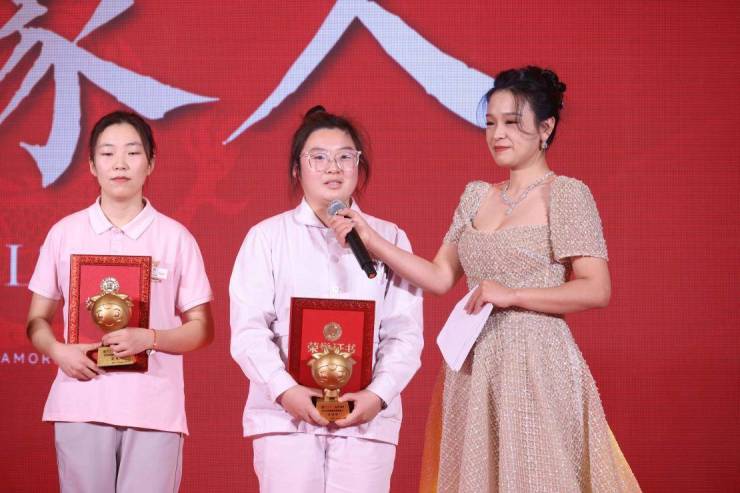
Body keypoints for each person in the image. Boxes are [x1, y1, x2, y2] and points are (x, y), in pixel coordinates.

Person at [330, 67, 641, 492]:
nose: (498, 134)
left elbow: (595, 287)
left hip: (537, 361)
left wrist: (512, 294)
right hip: (473, 365)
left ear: (545, 128)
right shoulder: (476, 195)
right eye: (491, 123)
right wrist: (371, 239)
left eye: (512, 122)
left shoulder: (566, 193)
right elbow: (440, 276)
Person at [229, 106, 423, 493]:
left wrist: (378, 395)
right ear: (297, 170)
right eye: (318, 157)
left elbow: (405, 333)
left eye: (345, 156)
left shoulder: (389, 238)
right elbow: (249, 329)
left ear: (358, 166)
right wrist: (284, 390)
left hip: (365, 419)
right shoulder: (267, 237)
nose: (333, 167)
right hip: (285, 418)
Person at [26, 111, 214, 492]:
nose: (120, 164)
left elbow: (202, 329)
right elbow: (36, 320)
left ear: (151, 162)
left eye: (133, 152)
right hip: (81, 401)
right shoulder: (65, 233)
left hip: (153, 408)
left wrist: (151, 338)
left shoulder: (175, 238)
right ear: (91, 165)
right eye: (108, 153)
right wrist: (58, 351)